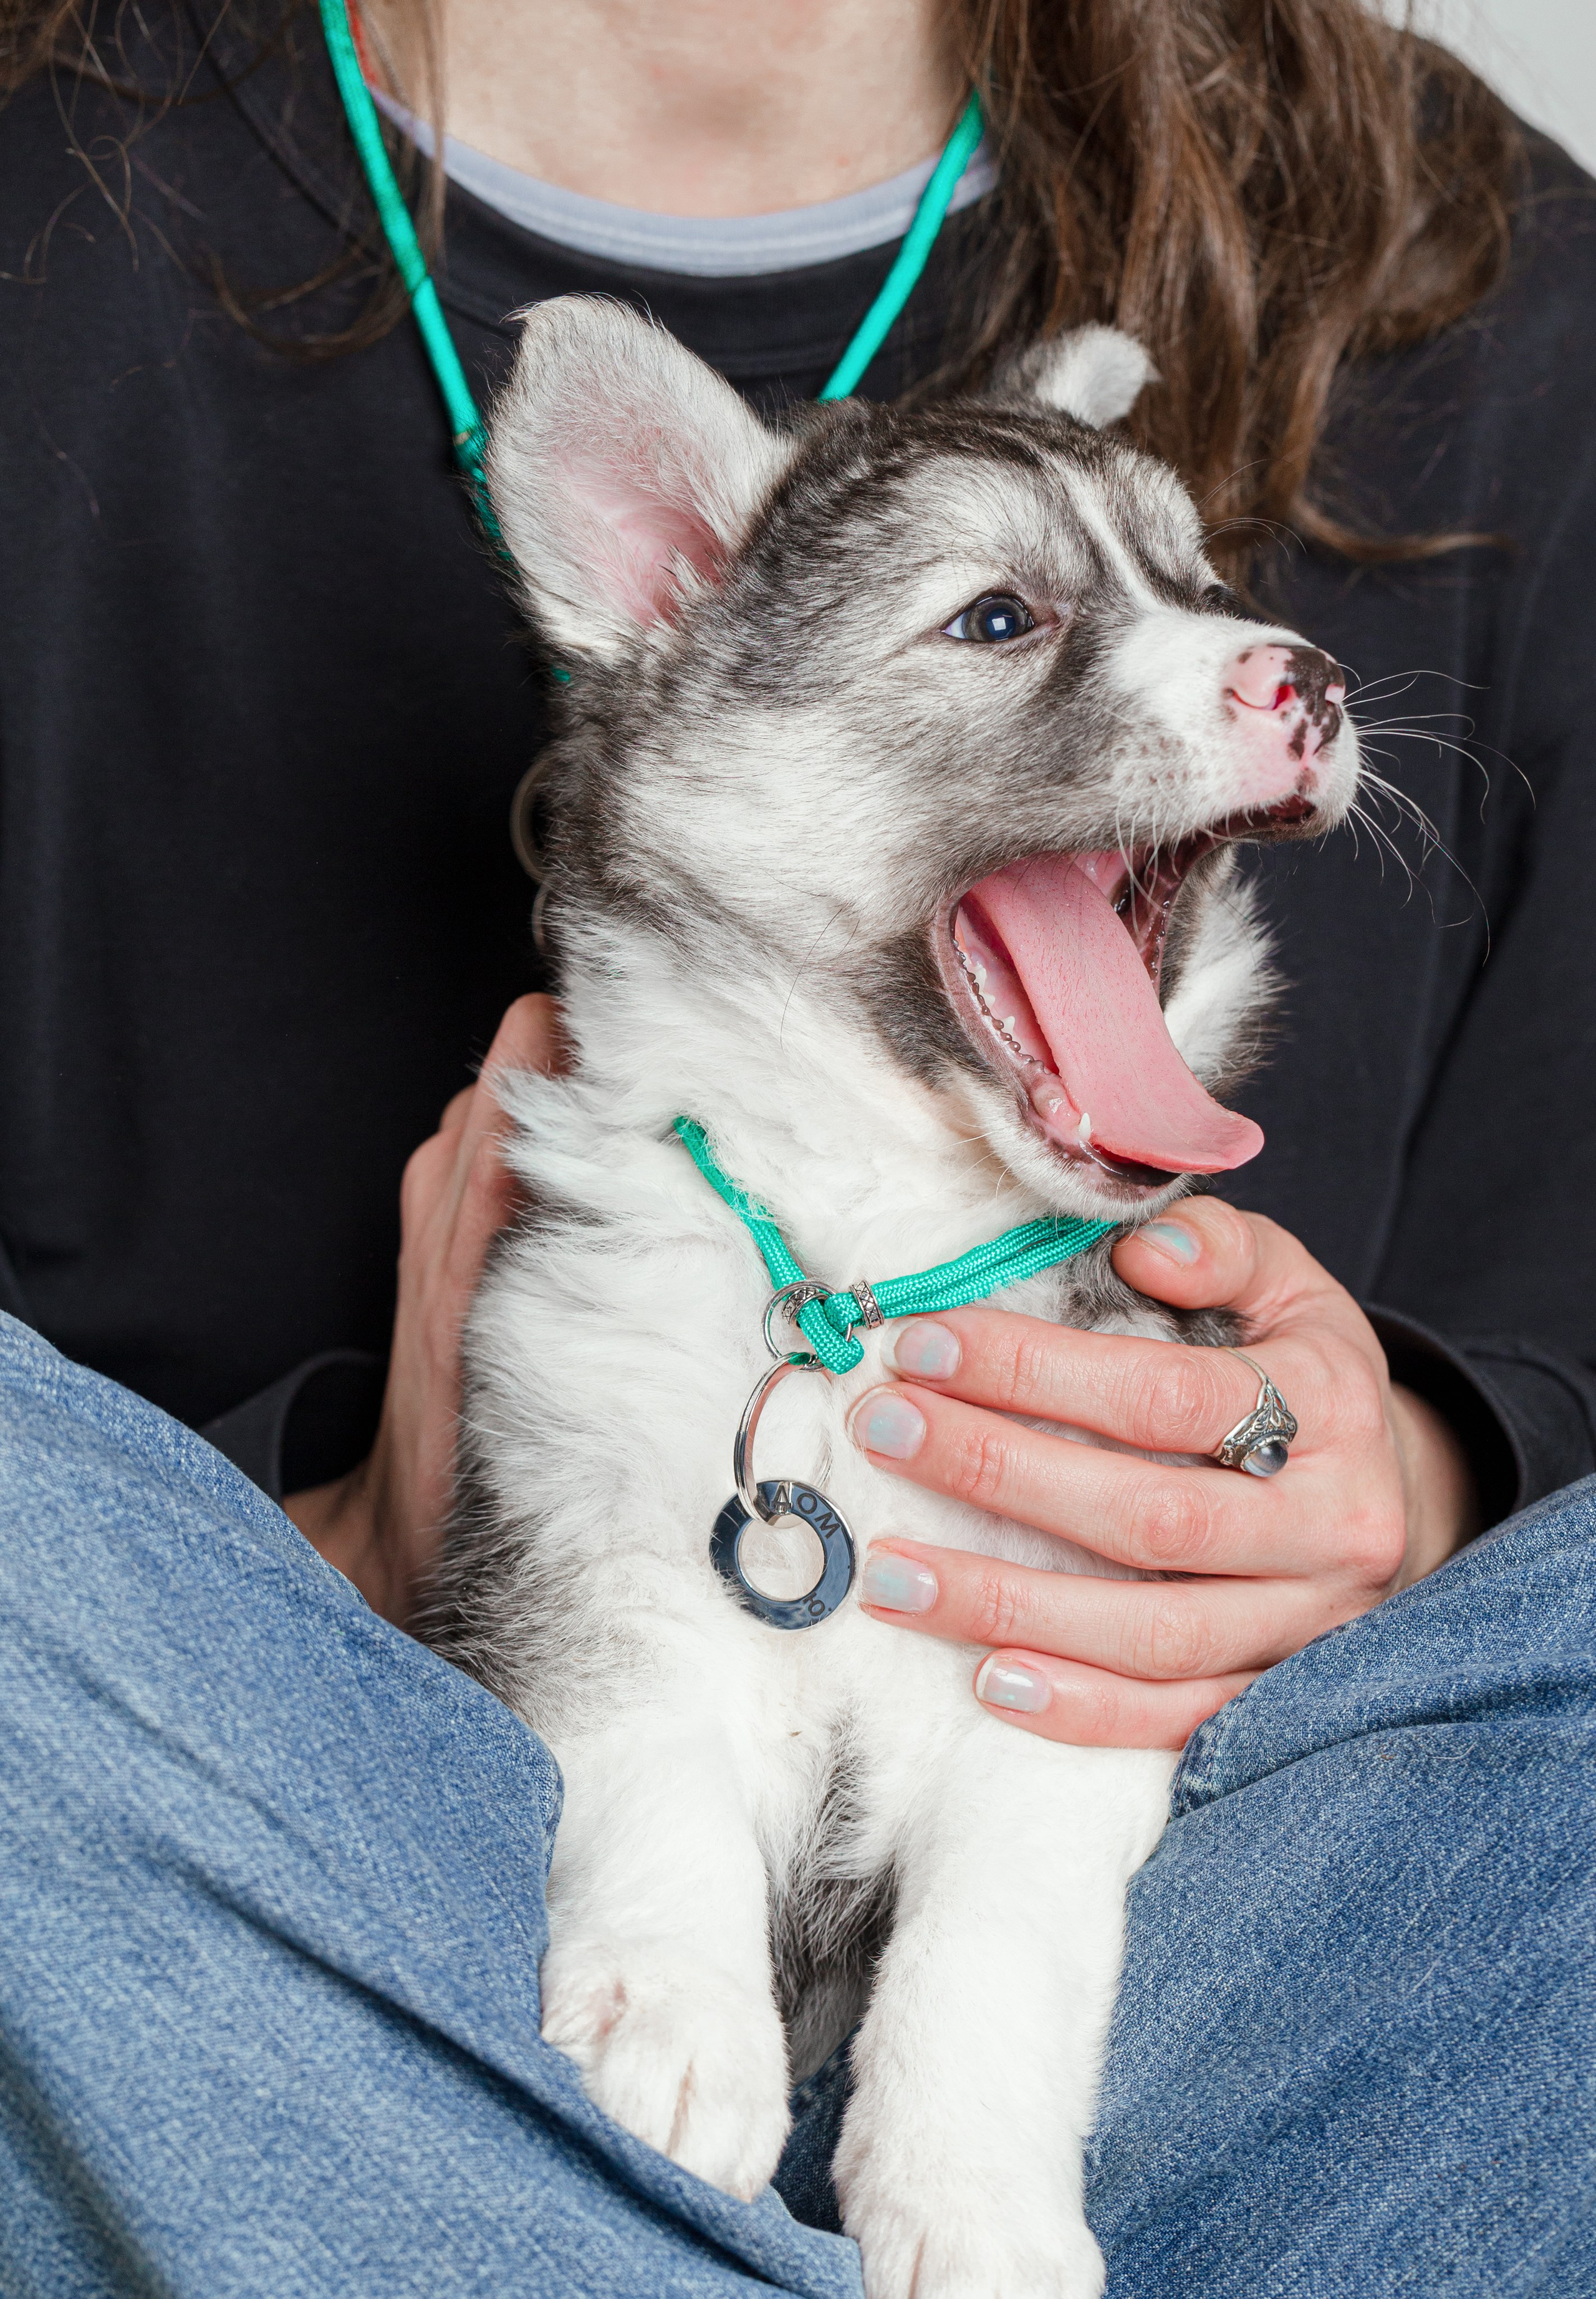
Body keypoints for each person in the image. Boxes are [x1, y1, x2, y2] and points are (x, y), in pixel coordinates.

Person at [0, 0, 1592, 2288]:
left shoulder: (1495, 276)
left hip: (1221, 1998)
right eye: (1009, 617)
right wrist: (346, 1561)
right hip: (311, 1966)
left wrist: (1412, 1486)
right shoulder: (62, 212)